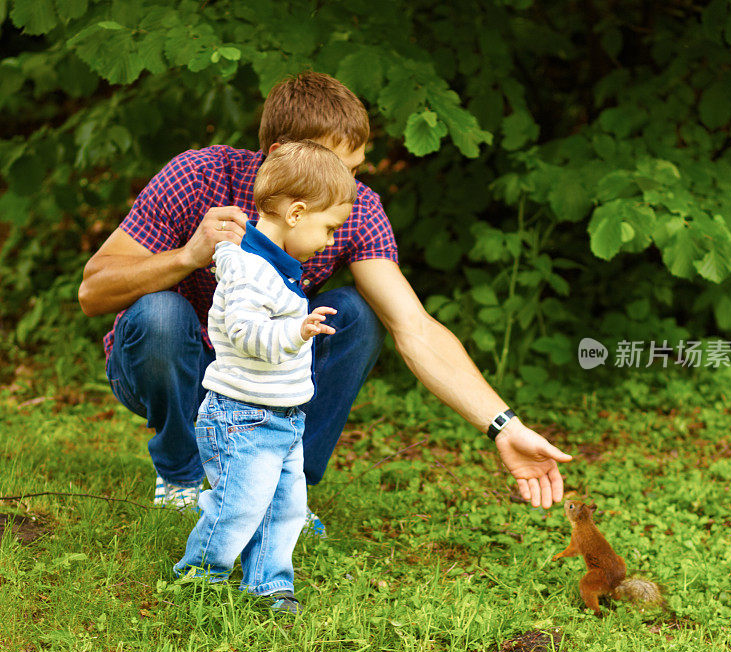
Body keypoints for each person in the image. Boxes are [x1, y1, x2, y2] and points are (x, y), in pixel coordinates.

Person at [78, 71, 571, 521]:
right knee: (159, 311)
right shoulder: (199, 176)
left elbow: (414, 328)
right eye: (336, 168)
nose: (350, 188)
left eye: (356, 169)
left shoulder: (353, 208)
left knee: (360, 313)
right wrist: (187, 256)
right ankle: (181, 473)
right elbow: (92, 291)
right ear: (277, 153)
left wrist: (504, 426)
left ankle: (280, 487)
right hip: (176, 369)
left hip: (265, 372)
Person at [174, 141, 355, 613]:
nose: (332, 242)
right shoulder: (252, 270)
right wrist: (297, 331)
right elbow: (245, 333)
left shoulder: (274, 267)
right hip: (242, 416)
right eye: (330, 228)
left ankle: (269, 583)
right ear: (296, 213)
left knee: (285, 509)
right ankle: (198, 577)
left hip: (282, 417)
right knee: (238, 506)